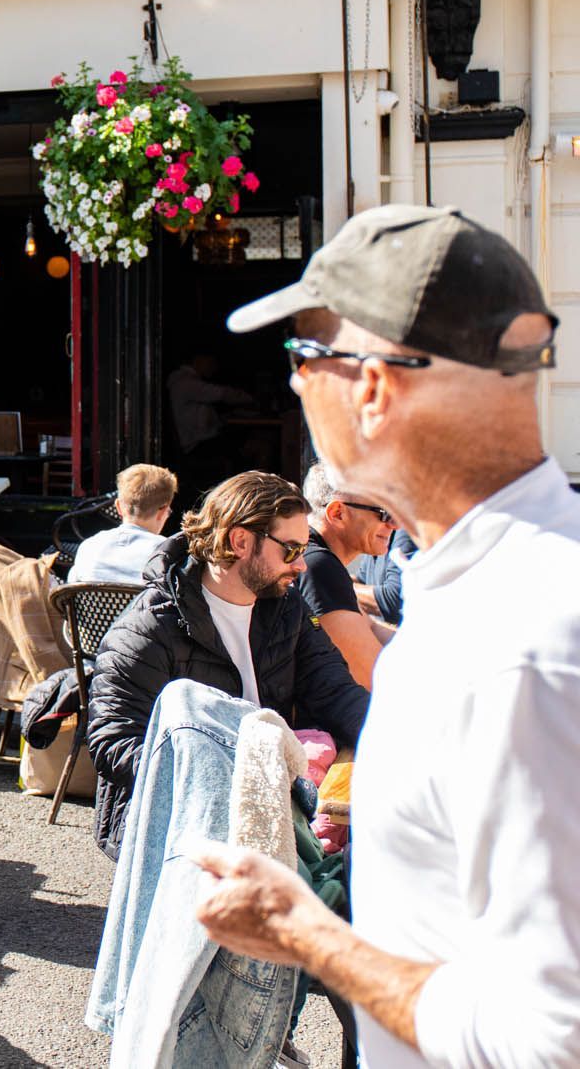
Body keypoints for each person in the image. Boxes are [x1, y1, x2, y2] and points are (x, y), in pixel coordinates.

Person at [191, 204, 579, 1068]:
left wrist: (306, 932)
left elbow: (552, 1036)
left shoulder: (522, 643)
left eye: (303, 357)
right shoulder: (481, 583)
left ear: (372, 387)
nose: (292, 384)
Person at [83, 470, 368, 860]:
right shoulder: (149, 627)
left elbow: (335, 690)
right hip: (171, 824)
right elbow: (112, 741)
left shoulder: (286, 610)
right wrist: (231, 775)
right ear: (240, 540)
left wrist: (396, 741)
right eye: (291, 550)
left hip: (268, 808)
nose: (301, 566)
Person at [297, 462, 397, 688]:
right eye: (384, 512)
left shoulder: (317, 559)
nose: (395, 524)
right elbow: (376, 679)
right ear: (338, 513)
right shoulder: (318, 565)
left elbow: (371, 628)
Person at [69, 464, 177, 585]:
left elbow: (70, 591)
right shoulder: (169, 555)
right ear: (162, 512)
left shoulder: (89, 547)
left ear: (119, 507)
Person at [165, 353, 253, 455]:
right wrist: (250, 399)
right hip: (195, 445)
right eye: (211, 362)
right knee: (262, 446)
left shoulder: (181, 379)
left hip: (195, 442)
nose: (214, 367)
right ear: (199, 359)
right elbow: (223, 394)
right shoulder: (186, 382)